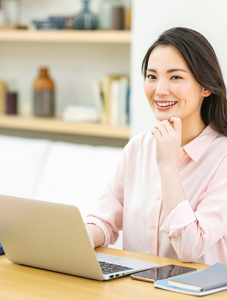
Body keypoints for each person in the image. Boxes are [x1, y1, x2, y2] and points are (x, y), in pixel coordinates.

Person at [84, 27, 227, 265]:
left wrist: (168, 166)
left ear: (206, 87)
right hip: (136, 287)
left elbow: (190, 248)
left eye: (175, 77)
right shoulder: (138, 147)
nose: (159, 90)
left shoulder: (222, 157)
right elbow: (105, 220)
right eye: (152, 76)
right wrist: (78, 239)